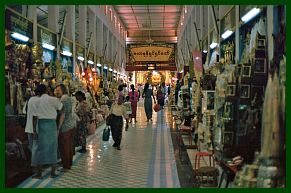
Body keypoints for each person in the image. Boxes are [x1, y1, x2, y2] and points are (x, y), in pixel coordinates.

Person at [32, 84, 64, 179]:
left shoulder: (36, 101)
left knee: (40, 149)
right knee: (53, 148)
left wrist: (34, 131)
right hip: (52, 125)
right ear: (46, 90)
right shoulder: (53, 100)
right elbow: (62, 110)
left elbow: (34, 118)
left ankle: (39, 174)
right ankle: (52, 173)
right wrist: (59, 126)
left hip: (41, 125)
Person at [54, 84, 75, 172]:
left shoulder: (63, 99)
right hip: (71, 125)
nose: (56, 92)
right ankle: (68, 163)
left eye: (58, 90)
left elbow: (63, 114)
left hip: (65, 126)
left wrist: (58, 128)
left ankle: (66, 166)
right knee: (69, 146)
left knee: (64, 147)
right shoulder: (69, 98)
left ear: (63, 90)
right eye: (56, 90)